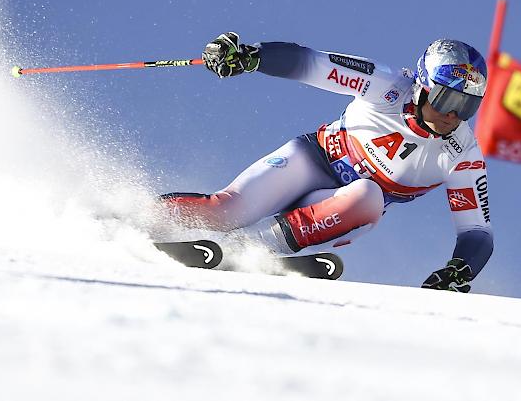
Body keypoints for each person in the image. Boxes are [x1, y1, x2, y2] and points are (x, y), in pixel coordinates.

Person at [161, 32, 493, 292]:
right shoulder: (387, 86)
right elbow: (313, 64)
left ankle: (250, 249)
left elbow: (477, 230)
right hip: (310, 161)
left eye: (467, 106)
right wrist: (253, 57)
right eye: (447, 99)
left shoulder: (461, 154)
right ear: (423, 86)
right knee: (224, 212)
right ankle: (132, 214)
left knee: (368, 197)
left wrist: (459, 270)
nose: (453, 115)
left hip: (341, 208)